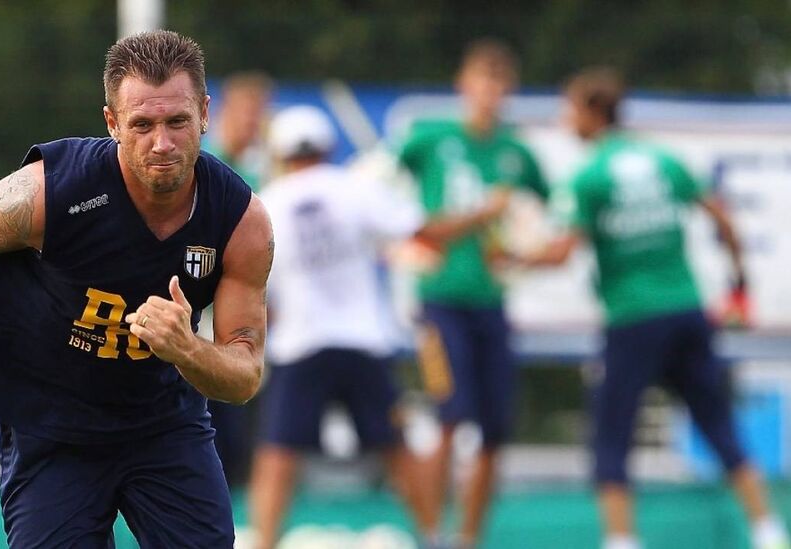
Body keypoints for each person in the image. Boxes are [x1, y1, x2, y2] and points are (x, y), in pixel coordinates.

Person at [0, 30, 273, 548]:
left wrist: (187, 349)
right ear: (112, 123)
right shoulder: (56, 191)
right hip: (50, 423)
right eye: (142, 125)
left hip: (162, 424)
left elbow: (244, 377)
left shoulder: (241, 220)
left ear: (204, 114)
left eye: (177, 121)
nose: (162, 143)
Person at [525, 67, 791, 549]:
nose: (565, 120)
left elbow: (560, 253)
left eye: (571, 109)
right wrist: (739, 288)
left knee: (612, 435)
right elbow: (724, 220)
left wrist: (510, 258)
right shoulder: (664, 160)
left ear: (593, 112)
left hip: (632, 318)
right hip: (686, 310)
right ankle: (768, 531)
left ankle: (621, 539)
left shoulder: (588, 177)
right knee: (719, 425)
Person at [248, 105, 434, 549]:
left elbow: (259, 286)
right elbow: (416, 231)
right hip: (362, 338)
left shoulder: (268, 202)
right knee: (395, 447)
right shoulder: (356, 188)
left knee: (279, 450)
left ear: (280, 153)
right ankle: (434, 537)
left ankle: (265, 541)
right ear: (327, 148)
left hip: (301, 342)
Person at [395, 38, 549, 547]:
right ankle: (432, 534)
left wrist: (521, 249)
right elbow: (382, 180)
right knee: (449, 415)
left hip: (491, 301)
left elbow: (543, 211)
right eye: (483, 80)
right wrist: (410, 237)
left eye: (500, 82)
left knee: (495, 428)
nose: (490, 92)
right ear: (464, 85)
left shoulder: (516, 152)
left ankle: (468, 537)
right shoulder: (430, 139)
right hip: (439, 300)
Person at [201, 70, 273, 487]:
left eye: (257, 114)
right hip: (203, 304)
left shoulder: (261, 169)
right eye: (246, 113)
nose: (251, 123)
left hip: (242, 302)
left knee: (238, 420)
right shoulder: (204, 161)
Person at [203, 71, 273, 192]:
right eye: (248, 112)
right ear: (225, 110)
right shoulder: (201, 158)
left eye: (259, 112)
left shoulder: (257, 165)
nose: (253, 121)